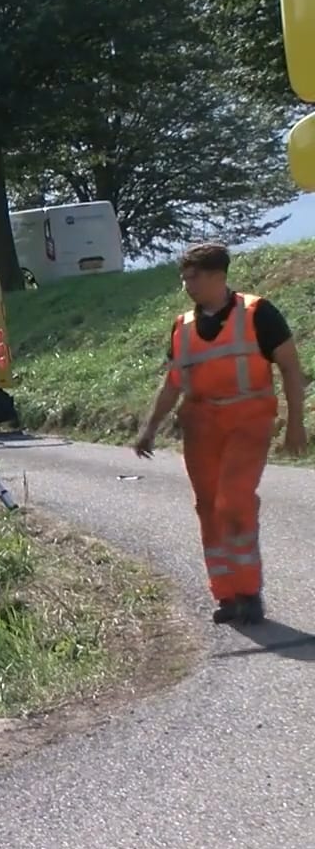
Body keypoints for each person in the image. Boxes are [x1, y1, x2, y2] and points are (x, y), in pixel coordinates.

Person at [133, 242, 307, 626]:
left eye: (192, 277)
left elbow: (292, 370)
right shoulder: (183, 327)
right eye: (184, 278)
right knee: (208, 508)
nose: (186, 285)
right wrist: (149, 428)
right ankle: (227, 596)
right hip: (201, 430)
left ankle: (249, 592)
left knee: (233, 501)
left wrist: (297, 423)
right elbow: (174, 382)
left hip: (248, 424)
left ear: (217, 276)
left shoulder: (258, 313)